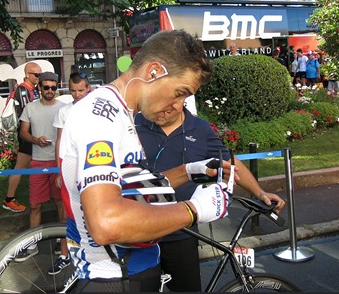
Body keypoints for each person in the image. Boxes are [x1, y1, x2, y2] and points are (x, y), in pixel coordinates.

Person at [59, 30, 232, 292]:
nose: (179, 105)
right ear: (154, 72)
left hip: (133, 270)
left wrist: (189, 171)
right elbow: (106, 222)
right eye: (179, 92)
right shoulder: (99, 116)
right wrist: (194, 209)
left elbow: (132, 191)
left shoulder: (122, 112)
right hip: (114, 278)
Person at [135, 106, 286, 292]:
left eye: (170, 104)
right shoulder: (135, 123)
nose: (161, 110)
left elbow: (230, 164)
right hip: (139, 232)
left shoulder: (200, 128)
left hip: (182, 233)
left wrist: (260, 193)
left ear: (182, 98)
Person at [15, 71, 66, 262]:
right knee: (35, 205)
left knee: (60, 203)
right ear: (39, 88)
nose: (50, 91)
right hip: (37, 162)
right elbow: (23, 132)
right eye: (46, 87)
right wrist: (36, 140)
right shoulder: (30, 107)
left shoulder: (64, 108)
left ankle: (63, 243)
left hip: (57, 163)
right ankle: (32, 246)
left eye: (54, 87)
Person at [48, 72, 92, 275]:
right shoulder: (64, 112)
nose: (77, 95)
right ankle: (65, 255)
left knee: (94, 209)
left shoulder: (96, 108)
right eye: (73, 91)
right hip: (70, 168)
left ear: (88, 88)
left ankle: (96, 252)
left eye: (80, 90)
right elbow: (59, 142)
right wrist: (59, 170)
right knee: (69, 213)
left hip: (93, 166)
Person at [2, 62, 42, 213]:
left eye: (40, 74)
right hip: (28, 135)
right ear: (27, 75)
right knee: (20, 167)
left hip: (33, 134)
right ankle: (9, 199)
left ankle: (10, 199)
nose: (39, 77)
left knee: (26, 167)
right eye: (36, 75)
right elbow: (29, 112)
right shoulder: (23, 90)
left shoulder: (34, 89)